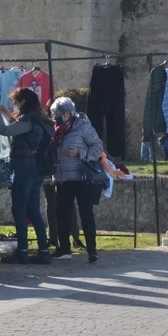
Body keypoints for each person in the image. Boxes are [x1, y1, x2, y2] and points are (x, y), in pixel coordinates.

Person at [0, 88, 54, 265]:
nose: (13, 104)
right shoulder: (41, 120)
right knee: (33, 210)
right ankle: (43, 252)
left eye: (15, 102)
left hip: (24, 170)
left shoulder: (28, 120)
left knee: (19, 209)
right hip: (38, 170)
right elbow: (18, 129)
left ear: (23, 102)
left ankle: (23, 252)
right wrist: (5, 113)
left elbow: (5, 131)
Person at [48, 97, 104, 263]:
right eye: (54, 114)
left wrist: (79, 152)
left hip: (82, 178)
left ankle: (92, 250)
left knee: (86, 213)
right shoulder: (57, 130)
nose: (55, 117)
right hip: (63, 178)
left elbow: (97, 147)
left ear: (67, 114)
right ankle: (64, 248)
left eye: (57, 114)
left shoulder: (83, 127)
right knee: (62, 214)